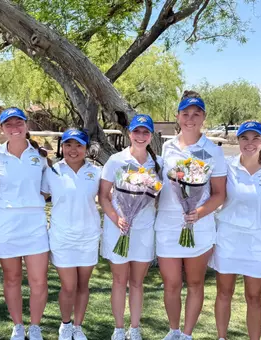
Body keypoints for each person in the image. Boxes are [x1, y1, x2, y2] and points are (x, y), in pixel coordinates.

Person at [155, 95, 227, 340]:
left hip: (200, 226)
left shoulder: (213, 152)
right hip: (167, 225)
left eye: (196, 114)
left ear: (203, 118)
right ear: (178, 116)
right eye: (185, 114)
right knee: (172, 284)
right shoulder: (166, 147)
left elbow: (219, 194)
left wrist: (199, 212)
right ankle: (173, 330)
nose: (190, 119)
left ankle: (187, 334)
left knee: (195, 283)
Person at [0, 107, 50, 340]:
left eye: (18, 123)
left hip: (35, 223)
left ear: (26, 126)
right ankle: (18, 325)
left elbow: (47, 190)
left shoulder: (40, 156)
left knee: (38, 280)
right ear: (1, 129)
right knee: (11, 278)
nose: (14, 128)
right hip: (6, 222)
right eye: (8, 125)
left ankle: (35, 326)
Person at [209, 121, 261, 340]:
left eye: (255, 138)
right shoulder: (227, 166)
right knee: (224, 293)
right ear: (237, 140)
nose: (250, 143)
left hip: (259, 241)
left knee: (255, 297)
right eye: (244, 138)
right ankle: (222, 337)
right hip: (228, 237)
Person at [99, 114, 162, 340]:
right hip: (118, 228)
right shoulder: (116, 160)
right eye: (137, 131)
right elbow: (103, 196)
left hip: (144, 229)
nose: (141, 136)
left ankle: (134, 328)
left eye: (146, 132)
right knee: (119, 280)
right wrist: (117, 218)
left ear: (151, 136)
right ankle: (118, 328)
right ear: (129, 134)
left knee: (137, 282)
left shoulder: (158, 164)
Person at [41, 129, 101, 340]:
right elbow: (40, 196)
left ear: (86, 148)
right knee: (69, 286)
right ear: (62, 147)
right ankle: (65, 324)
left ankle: (78, 326)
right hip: (62, 237)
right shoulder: (53, 171)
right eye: (68, 145)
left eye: (78, 145)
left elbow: (107, 199)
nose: (73, 150)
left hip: (88, 236)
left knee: (83, 285)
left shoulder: (96, 172)